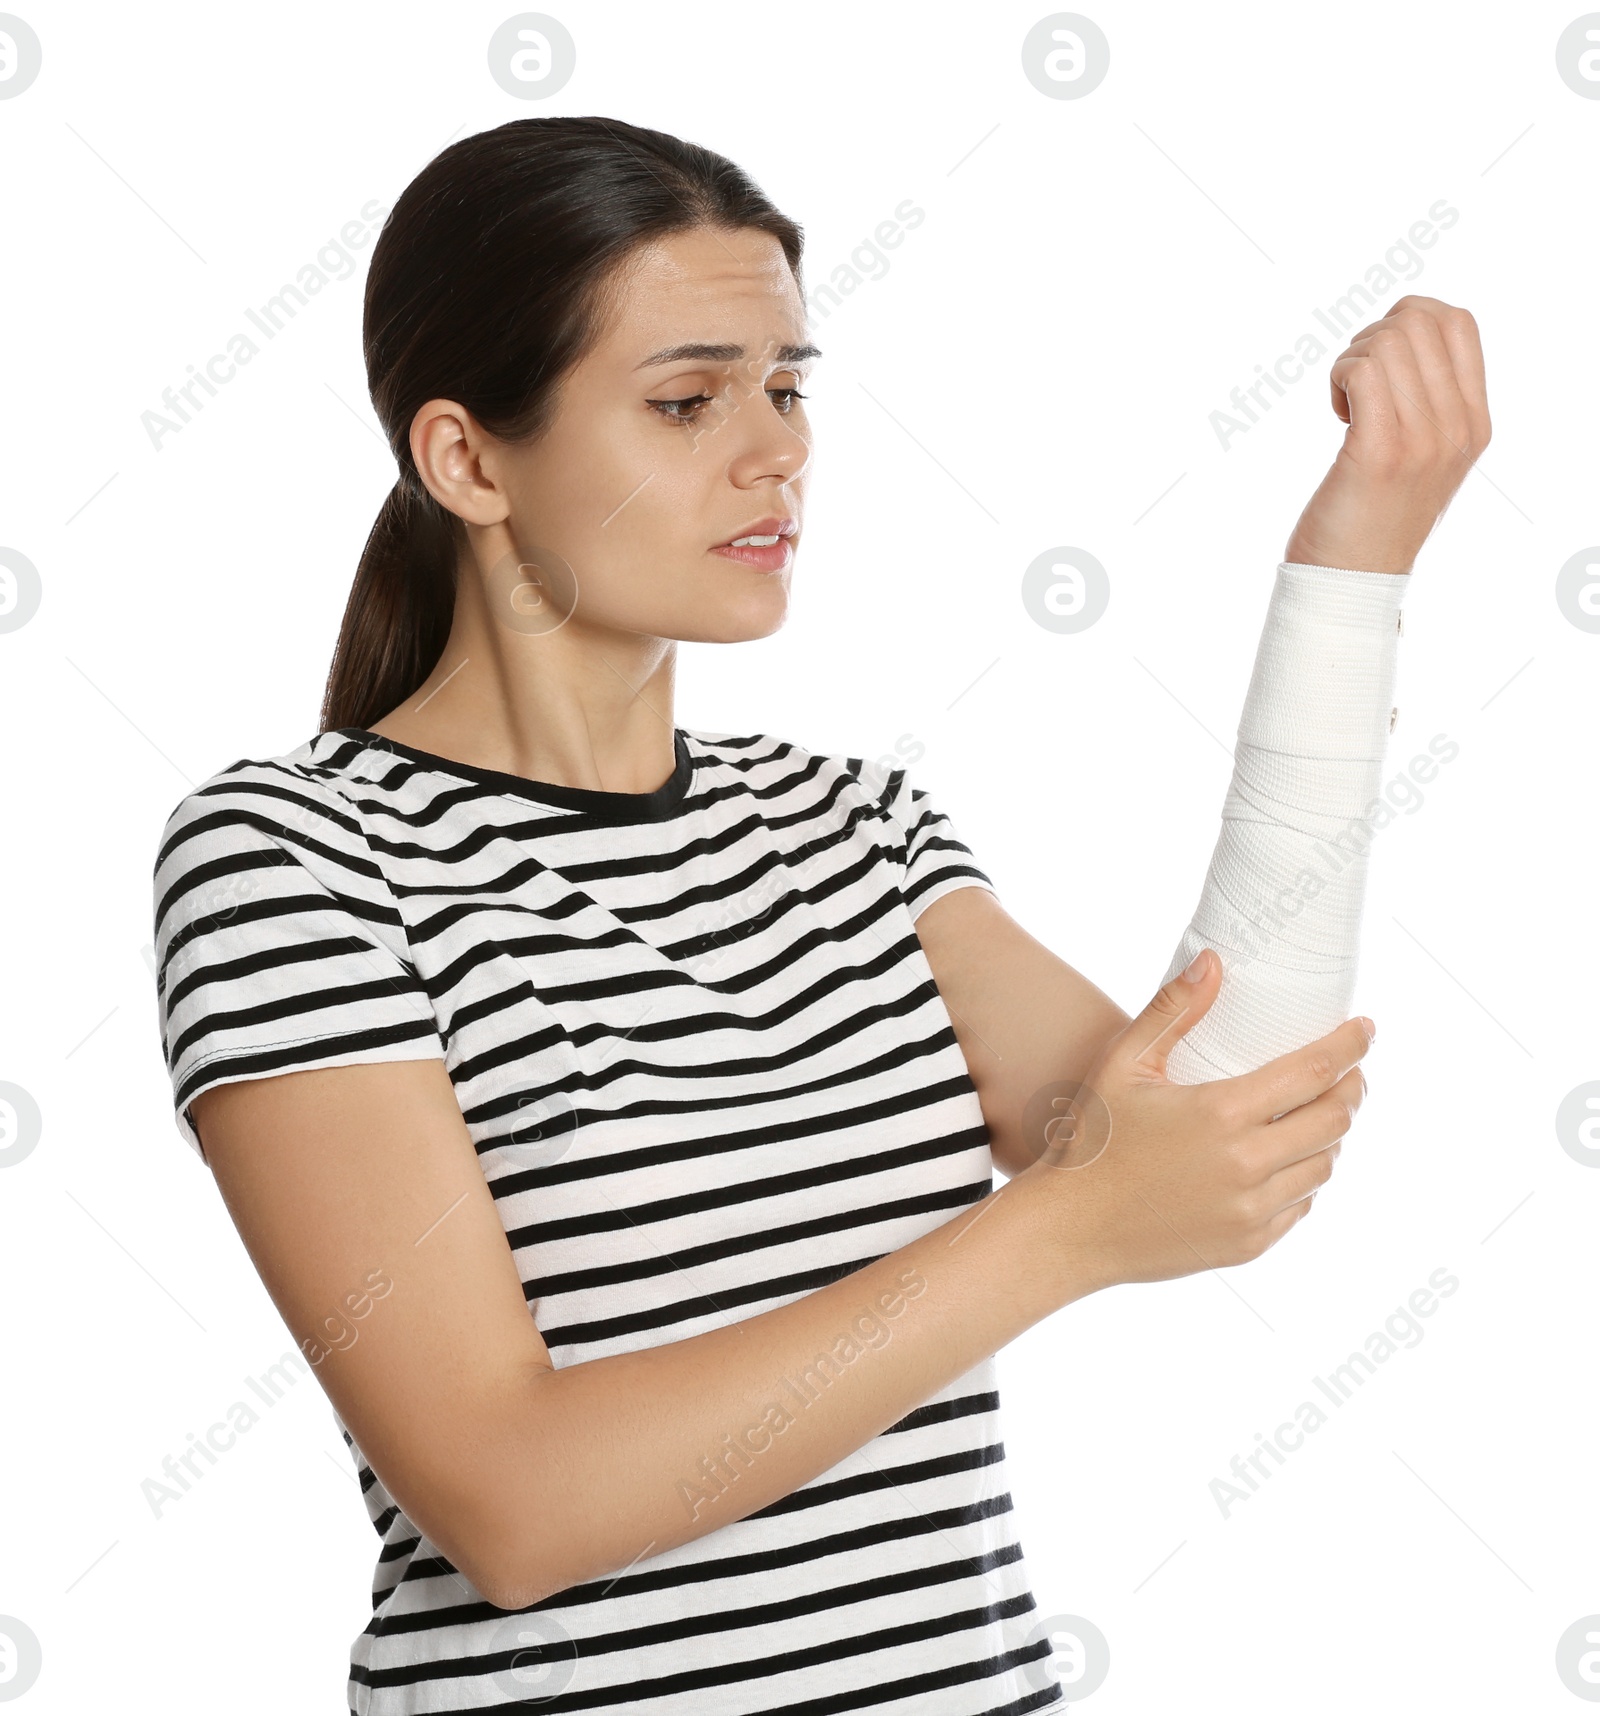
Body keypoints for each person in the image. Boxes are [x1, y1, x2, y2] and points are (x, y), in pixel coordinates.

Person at [149, 116, 1488, 1716]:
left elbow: (1225, 1129)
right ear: (467, 459)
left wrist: (1358, 558)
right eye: (685, 399)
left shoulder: (853, 824)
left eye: (787, 385)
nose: (776, 447)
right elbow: (515, 1505)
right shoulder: (298, 857)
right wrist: (1056, 1231)